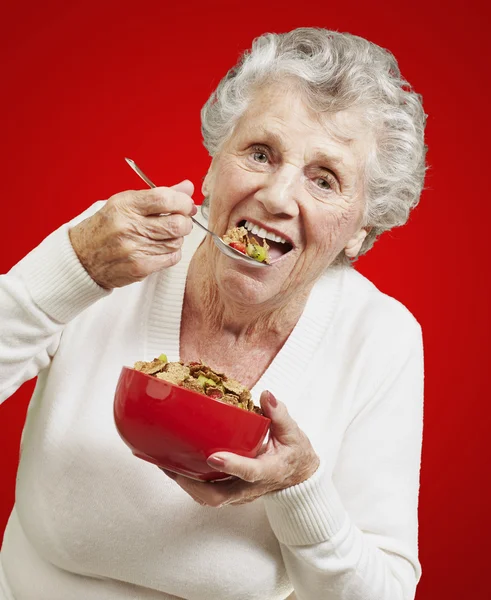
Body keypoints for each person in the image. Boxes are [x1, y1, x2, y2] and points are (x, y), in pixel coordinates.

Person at [0, 27, 427, 600]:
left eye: (324, 180)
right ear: (211, 168)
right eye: (259, 153)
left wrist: (299, 490)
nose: (276, 196)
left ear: (361, 230)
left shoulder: (380, 338)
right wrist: (72, 273)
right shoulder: (115, 245)